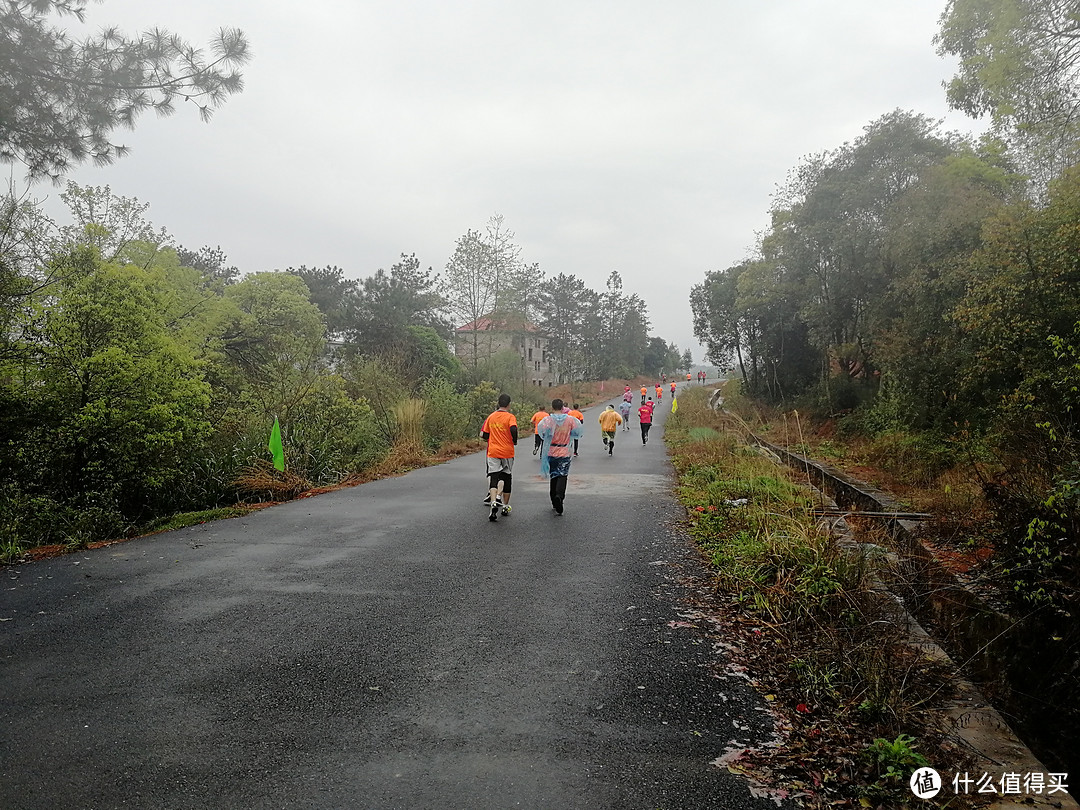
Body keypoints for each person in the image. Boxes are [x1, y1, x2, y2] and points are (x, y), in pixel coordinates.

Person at [536, 398, 583, 516]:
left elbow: (542, 432)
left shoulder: (547, 420)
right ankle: (559, 496)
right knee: (563, 475)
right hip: (564, 451)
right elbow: (578, 432)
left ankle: (553, 499)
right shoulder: (570, 420)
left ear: (552, 407)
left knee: (553, 475)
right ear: (563, 407)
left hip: (551, 451)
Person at [481, 393, 517, 521]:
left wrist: (491, 439)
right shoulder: (510, 417)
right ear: (509, 404)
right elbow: (513, 429)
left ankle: (493, 503)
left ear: (498, 403)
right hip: (507, 451)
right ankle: (505, 506)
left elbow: (485, 434)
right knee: (506, 477)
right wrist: (514, 440)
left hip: (493, 451)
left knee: (493, 476)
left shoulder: (491, 417)